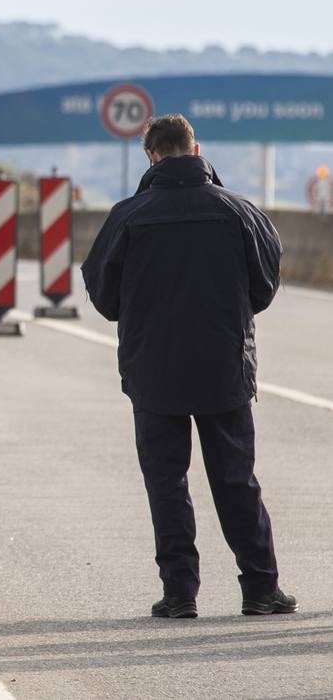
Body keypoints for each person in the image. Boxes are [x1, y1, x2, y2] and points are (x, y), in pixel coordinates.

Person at [82, 113, 293, 620]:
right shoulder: (240, 211)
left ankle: (180, 594)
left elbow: (104, 295)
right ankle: (261, 589)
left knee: (167, 481)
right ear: (196, 149)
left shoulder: (128, 216)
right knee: (236, 478)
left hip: (153, 371)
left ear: (151, 155)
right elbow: (263, 287)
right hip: (224, 366)